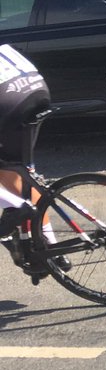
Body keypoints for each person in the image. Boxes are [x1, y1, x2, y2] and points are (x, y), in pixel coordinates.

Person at [0, 43, 52, 239]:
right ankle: (50, 252)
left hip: (9, 99)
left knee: (20, 199)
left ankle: (16, 207)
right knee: (19, 179)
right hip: (36, 91)